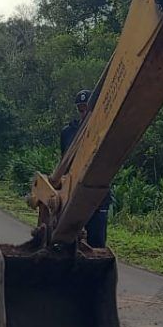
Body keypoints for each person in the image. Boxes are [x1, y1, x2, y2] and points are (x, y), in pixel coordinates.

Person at [60, 89, 112, 248]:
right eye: (80, 109)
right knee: (67, 242)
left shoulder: (104, 131)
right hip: (72, 194)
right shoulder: (68, 132)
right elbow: (64, 162)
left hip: (97, 196)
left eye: (86, 109)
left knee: (96, 243)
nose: (83, 113)